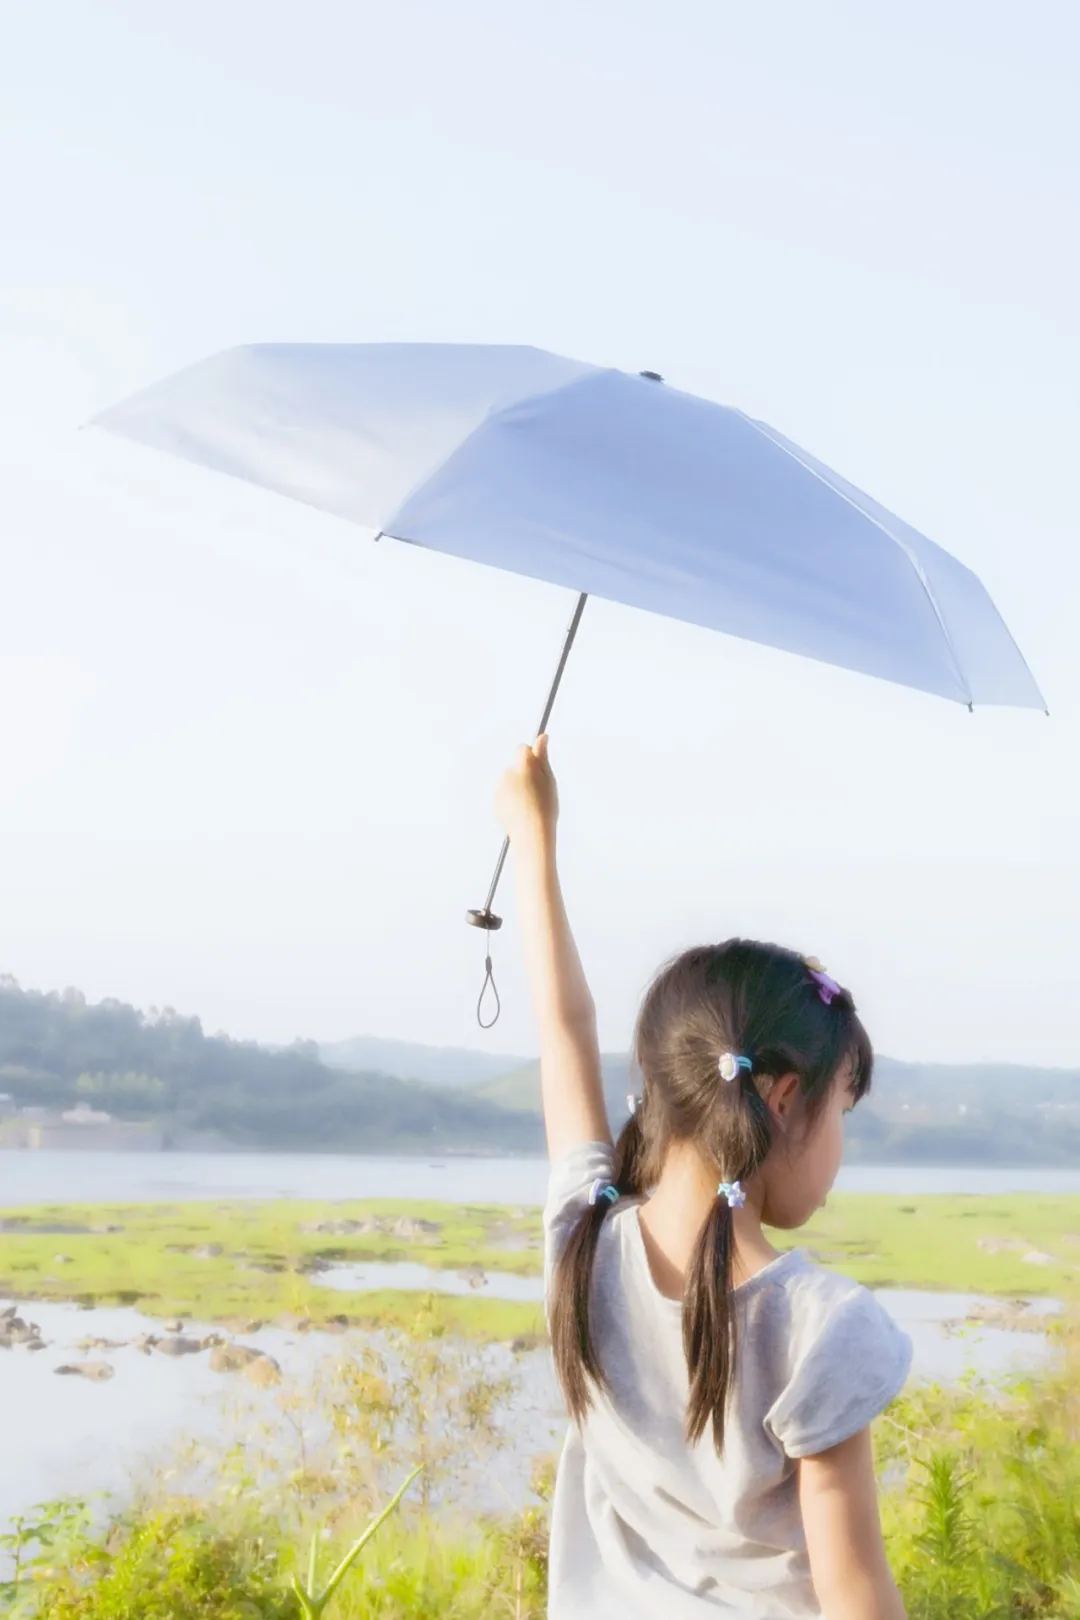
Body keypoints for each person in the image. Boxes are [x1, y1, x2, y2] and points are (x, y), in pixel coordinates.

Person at [495, 736, 912, 1620]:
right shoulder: (822, 1327)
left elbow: (563, 1027)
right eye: (842, 1109)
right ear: (785, 1097)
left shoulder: (582, 1236)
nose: (841, 1147)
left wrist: (534, 841)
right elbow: (855, 1595)